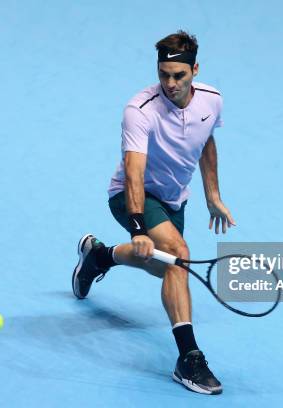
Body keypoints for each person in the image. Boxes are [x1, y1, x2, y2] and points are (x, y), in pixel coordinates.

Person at [72, 30, 235, 395]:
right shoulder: (139, 110)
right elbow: (133, 171)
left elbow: (207, 140)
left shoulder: (212, 100)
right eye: (164, 75)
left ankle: (100, 257)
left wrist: (213, 195)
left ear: (195, 69)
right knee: (179, 256)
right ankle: (188, 358)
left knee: (166, 267)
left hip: (175, 200)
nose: (170, 83)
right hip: (133, 195)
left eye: (179, 75)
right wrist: (137, 227)